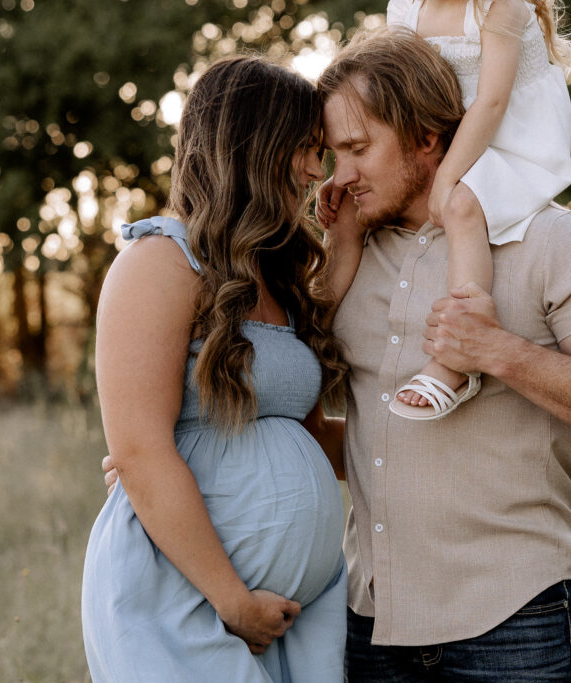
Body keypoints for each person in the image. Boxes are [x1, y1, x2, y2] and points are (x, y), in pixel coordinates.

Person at [315, 29, 571, 681]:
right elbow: (349, 424)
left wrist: (499, 352)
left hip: (515, 623)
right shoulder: (348, 253)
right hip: (371, 625)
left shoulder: (553, 239)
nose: (340, 176)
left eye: (358, 149)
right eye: (332, 154)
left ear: (427, 136)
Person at [81, 55, 352, 682]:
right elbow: (140, 452)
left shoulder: (274, 275)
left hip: (296, 616)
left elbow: (312, 440)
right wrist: (233, 602)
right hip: (188, 601)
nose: (318, 170)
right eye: (305, 148)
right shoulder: (159, 262)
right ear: (252, 145)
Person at [321, 0, 571, 421]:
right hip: (454, 129)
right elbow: (399, 83)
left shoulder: (502, 7)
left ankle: (456, 357)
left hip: (512, 138)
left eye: (356, 149)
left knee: (463, 205)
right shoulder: (406, 9)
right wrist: (346, 176)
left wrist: (447, 178)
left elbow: (492, 102)